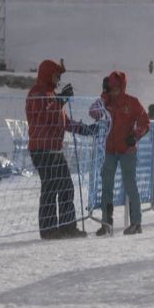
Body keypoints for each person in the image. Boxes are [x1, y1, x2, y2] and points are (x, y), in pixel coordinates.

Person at [25, 60, 94, 240]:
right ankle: (48, 230)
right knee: (50, 187)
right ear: (48, 74)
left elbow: (62, 121)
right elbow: (46, 115)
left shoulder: (51, 94)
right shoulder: (36, 93)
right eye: (57, 76)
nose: (58, 79)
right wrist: (61, 100)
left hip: (54, 149)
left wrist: (85, 129)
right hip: (42, 149)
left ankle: (67, 227)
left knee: (65, 186)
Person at [98, 71, 150, 236]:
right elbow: (93, 112)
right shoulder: (107, 103)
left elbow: (145, 122)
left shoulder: (132, 103)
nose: (113, 92)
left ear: (122, 87)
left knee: (130, 185)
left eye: (115, 89)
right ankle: (106, 223)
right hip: (110, 150)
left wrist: (135, 136)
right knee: (107, 185)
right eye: (110, 89)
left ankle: (136, 223)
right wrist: (104, 96)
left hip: (127, 151)